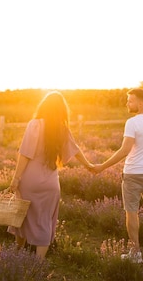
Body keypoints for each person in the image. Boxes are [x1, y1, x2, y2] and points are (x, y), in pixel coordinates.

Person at [7, 90, 94, 259]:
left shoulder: (35, 124)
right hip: (51, 183)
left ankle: (18, 251)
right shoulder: (62, 129)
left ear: (44, 106)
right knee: (44, 221)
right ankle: (38, 265)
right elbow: (75, 150)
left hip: (29, 180)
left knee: (22, 215)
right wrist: (90, 166)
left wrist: (15, 178)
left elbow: (25, 154)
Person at [93, 88, 143, 263]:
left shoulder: (132, 123)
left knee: (131, 212)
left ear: (140, 103)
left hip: (133, 173)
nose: (127, 103)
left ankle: (136, 253)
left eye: (130, 100)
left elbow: (125, 150)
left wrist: (102, 166)